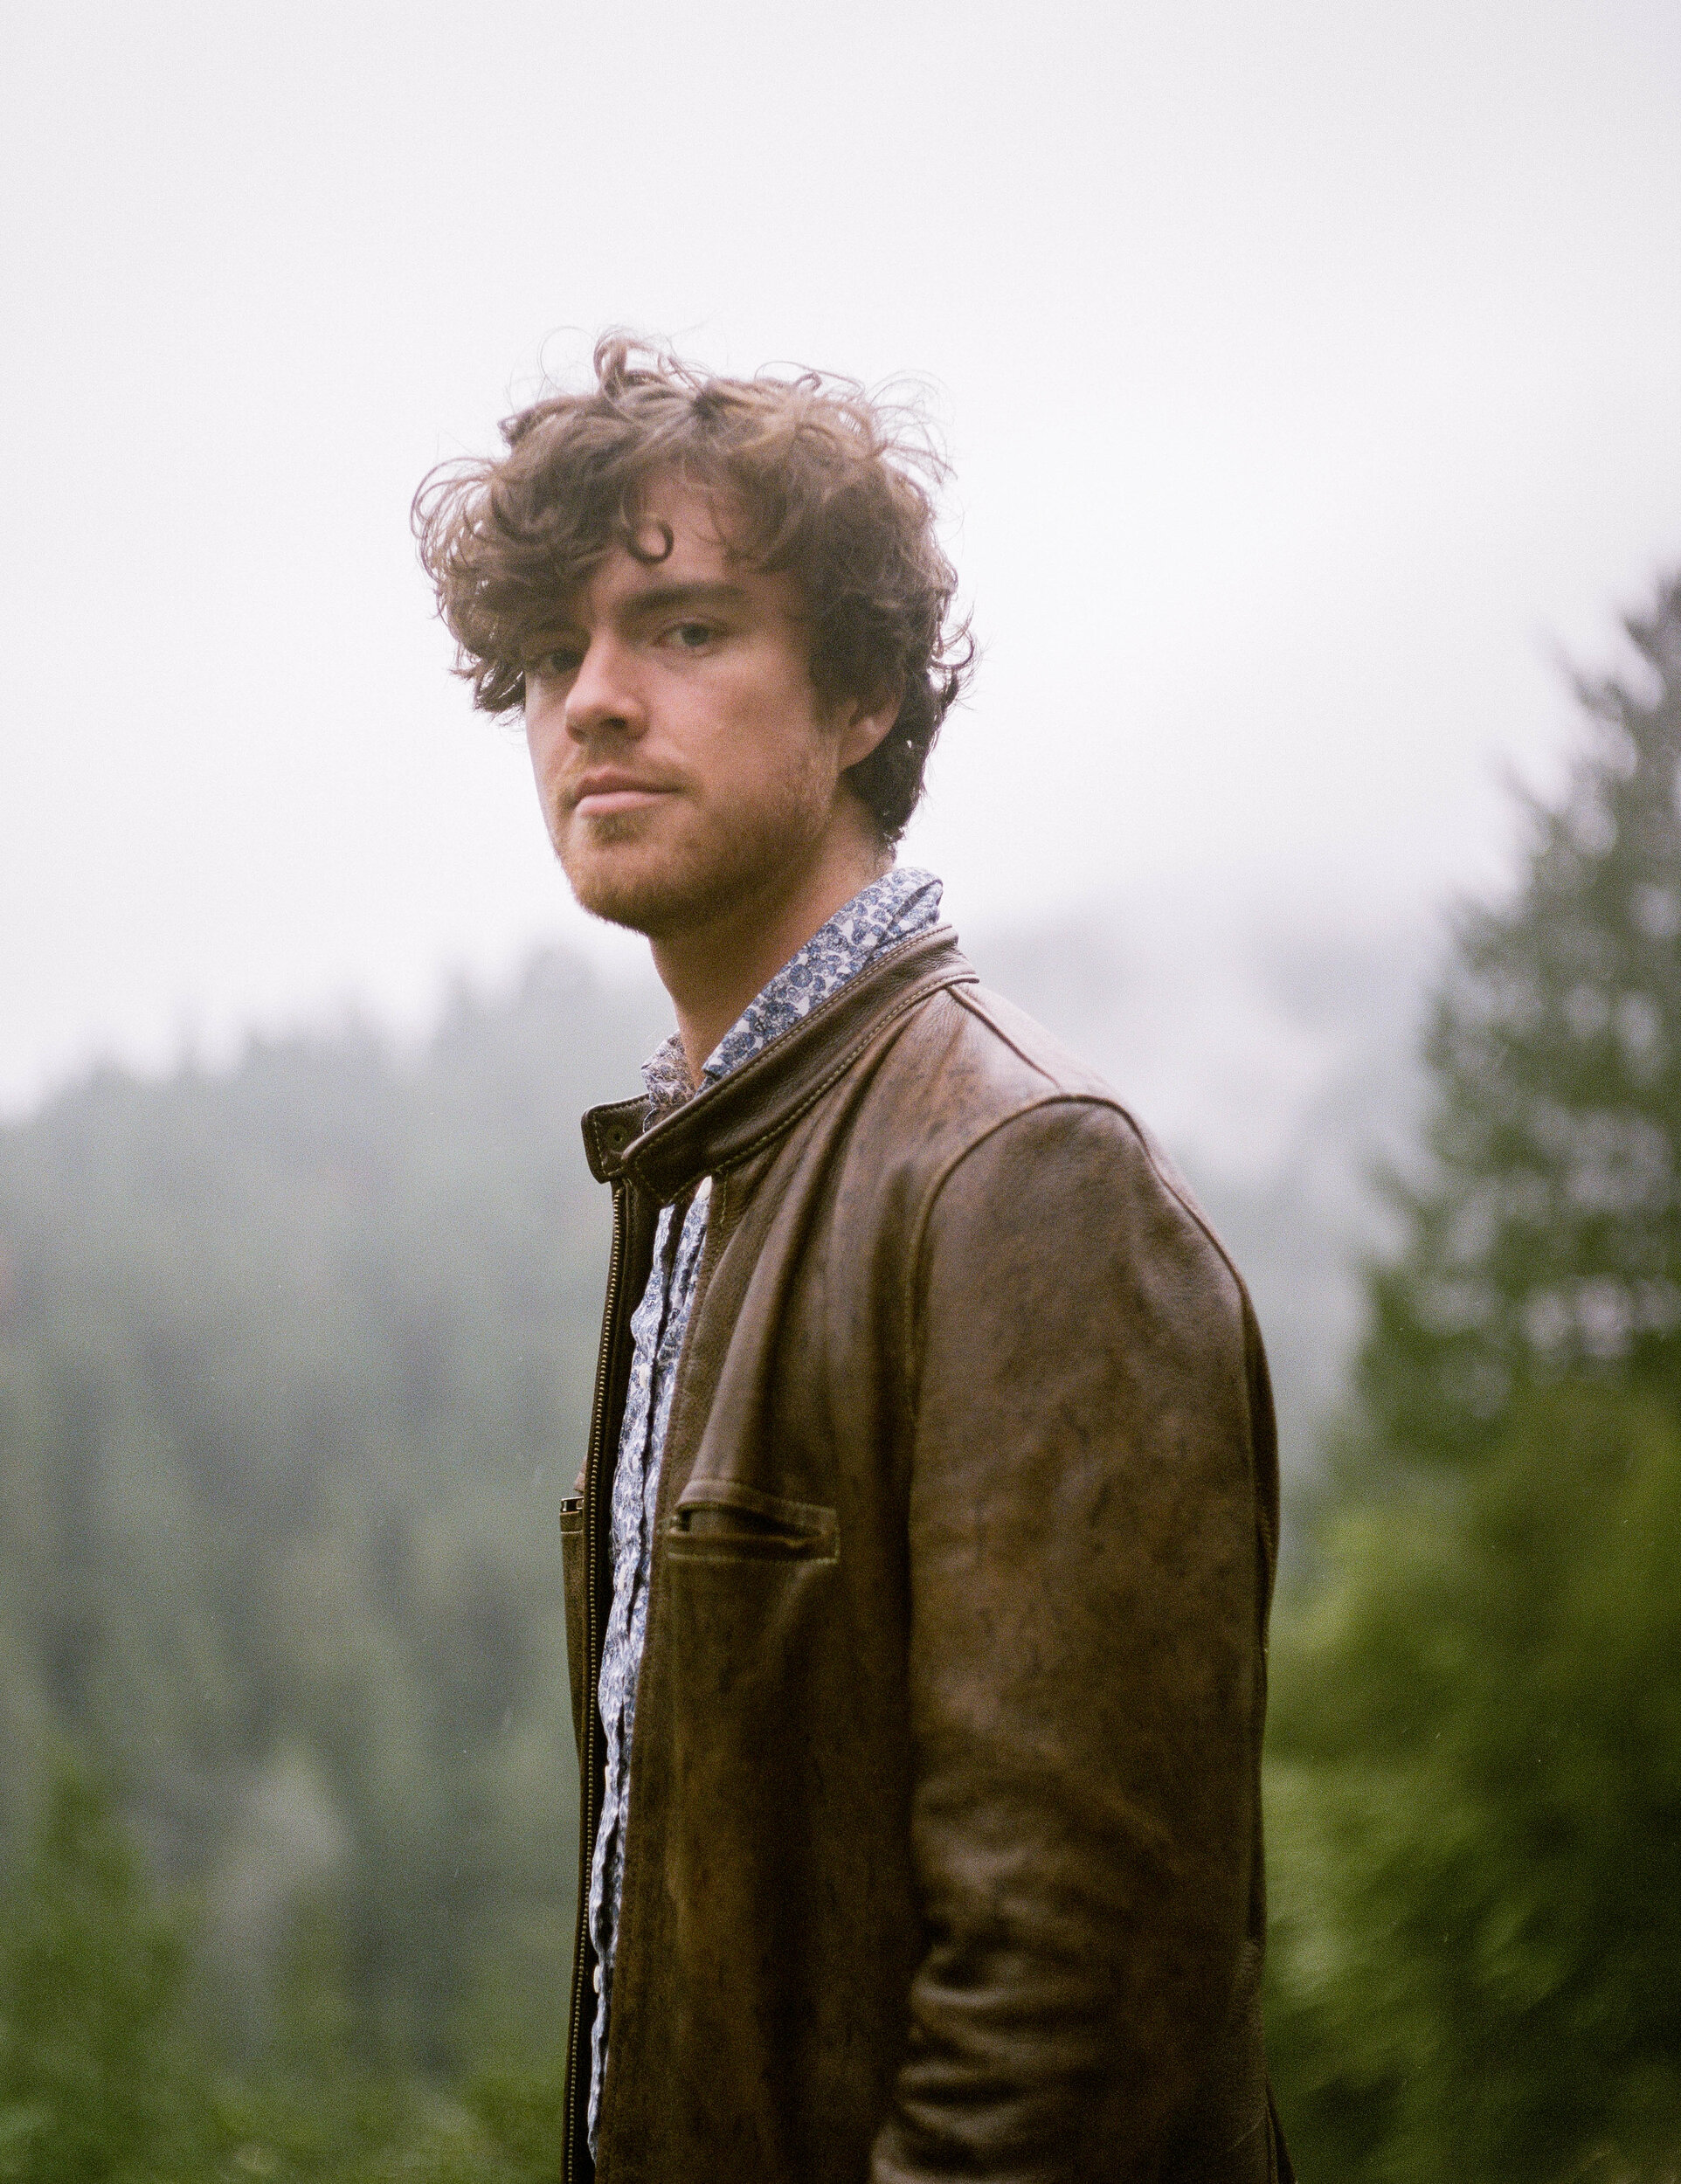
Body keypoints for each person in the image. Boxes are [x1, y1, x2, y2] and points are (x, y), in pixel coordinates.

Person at [413, 337, 1290, 2184]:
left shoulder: (1019, 1178)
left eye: (681, 628)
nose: (591, 702)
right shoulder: (704, 1156)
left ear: (865, 695)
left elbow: (1074, 2019)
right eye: (553, 656)